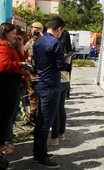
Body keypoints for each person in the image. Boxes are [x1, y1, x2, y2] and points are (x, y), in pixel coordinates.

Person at [32, 17, 69, 168]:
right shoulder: (54, 43)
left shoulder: (39, 41)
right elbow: (60, 64)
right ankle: (40, 156)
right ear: (59, 29)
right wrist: (67, 63)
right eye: (62, 30)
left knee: (42, 120)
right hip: (50, 85)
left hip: (42, 83)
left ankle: (39, 152)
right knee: (45, 123)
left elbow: (35, 62)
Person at [0, 23, 27, 155]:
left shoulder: (10, 46)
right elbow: (4, 65)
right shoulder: (3, 46)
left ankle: (4, 142)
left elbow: (22, 57)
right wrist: (20, 64)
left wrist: (20, 45)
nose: (14, 36)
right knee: (4, 115)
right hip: (6, 86)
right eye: (12, 34)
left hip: (12, 85)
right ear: (5, 33)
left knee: (9, 114)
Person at [24, 22, 44, 125]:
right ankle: (32, 117)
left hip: (42, 74)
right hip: (32, 73)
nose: (34, 30)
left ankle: (41, 118)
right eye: (33, 28)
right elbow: (24, 55)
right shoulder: (29, 43)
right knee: (32, 96)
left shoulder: (45, 42)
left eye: (36, 29)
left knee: (41, 97)